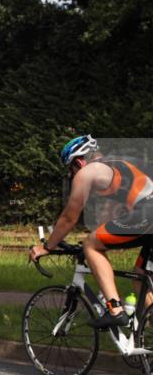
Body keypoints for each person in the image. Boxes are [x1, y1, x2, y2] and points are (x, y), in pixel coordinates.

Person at [29, 135, 153, 328]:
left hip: (148, 214)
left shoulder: (87, 172)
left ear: (78, 161)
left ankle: (115, 309)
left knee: (91, 245)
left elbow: (69, 217)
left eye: (71, 170)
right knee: (140, 279)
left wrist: (47, 246)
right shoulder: (116, 165)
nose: (72, 175)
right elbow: (112, 218)